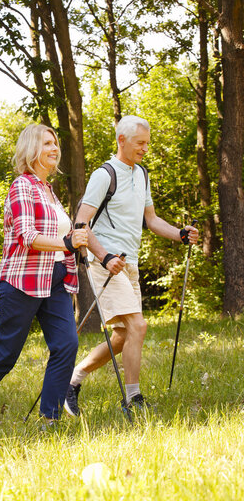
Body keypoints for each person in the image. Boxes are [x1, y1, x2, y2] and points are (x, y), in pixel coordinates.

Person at [64, 115, 199, 417]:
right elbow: (81, 223)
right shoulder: (105, 174)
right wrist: (104, 256)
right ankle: (132, 399)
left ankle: (73, 379)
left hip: (130, 263)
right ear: (121, 140)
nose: (145, 149)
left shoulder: (142, 174)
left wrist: (179, 234)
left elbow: (151, 221)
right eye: (140, 143)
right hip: (105, 263)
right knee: (139, 325)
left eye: (147, 144)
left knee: (124, 335)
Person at [0, 123, 88, 432]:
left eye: (55, 143)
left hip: (55, 281)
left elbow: (63, 236)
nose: (54, 148)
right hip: (21, 283)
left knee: (66, 345)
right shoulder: (22, 186)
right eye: (46, 144)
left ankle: (50, 420)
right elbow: (27, 236)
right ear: (31, 150)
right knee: (5, 355)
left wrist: (76, 245)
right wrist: (68, 242)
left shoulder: (49, 191)